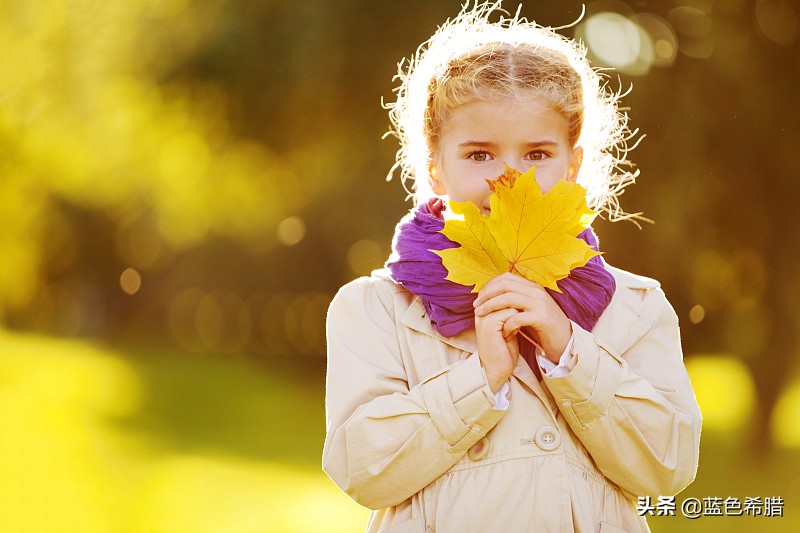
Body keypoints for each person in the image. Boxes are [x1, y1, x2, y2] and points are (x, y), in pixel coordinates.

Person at [322, 2, 702, 532]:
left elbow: (668, 466)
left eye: (537, 154)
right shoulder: (377, 309)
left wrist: (570, 350)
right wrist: (480, 380)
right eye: (479, 154)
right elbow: (362, 469)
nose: (509, 178)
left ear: (573, 165)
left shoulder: (633, 306)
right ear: (436, 168)